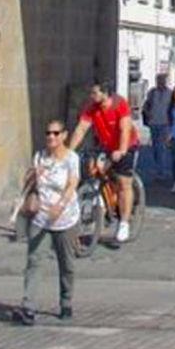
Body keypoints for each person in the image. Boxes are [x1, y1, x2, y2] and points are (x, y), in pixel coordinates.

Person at [13, 120, 77, 325]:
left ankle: (66, 302)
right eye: (48, 133)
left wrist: (61, 205)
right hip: (41, 218)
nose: (51, 137)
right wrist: (34, 174)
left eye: (56, 133)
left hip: (65, 219)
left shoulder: (71, 158)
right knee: (34, 261)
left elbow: (72, 184)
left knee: (67, 264)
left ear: (64, 135)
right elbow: (28, 183)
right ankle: (29, 307)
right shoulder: (40, 156)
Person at [67, 82, 139, 243]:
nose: (91, 96)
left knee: (124, 182)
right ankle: (103, 205)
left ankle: (124, 223)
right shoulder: (92, 108)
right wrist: (69, 152)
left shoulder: (120, 104)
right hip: (106, 145)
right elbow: (81, 129)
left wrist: (121, 150)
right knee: (95, 170)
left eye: (94, 93)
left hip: (127, 145)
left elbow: (125, 129)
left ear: (105, 93)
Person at [141, 72, 172, 184]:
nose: (160, 82)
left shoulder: (170, 93)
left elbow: (173, 108)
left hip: (165, 123)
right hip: (153, 123)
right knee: (155, 148)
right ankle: (159, 168)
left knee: (161, 147)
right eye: (158, 80)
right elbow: (146, 105)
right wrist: (148, 114)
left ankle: (161, 172)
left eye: (162, 80)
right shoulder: (152, 92)